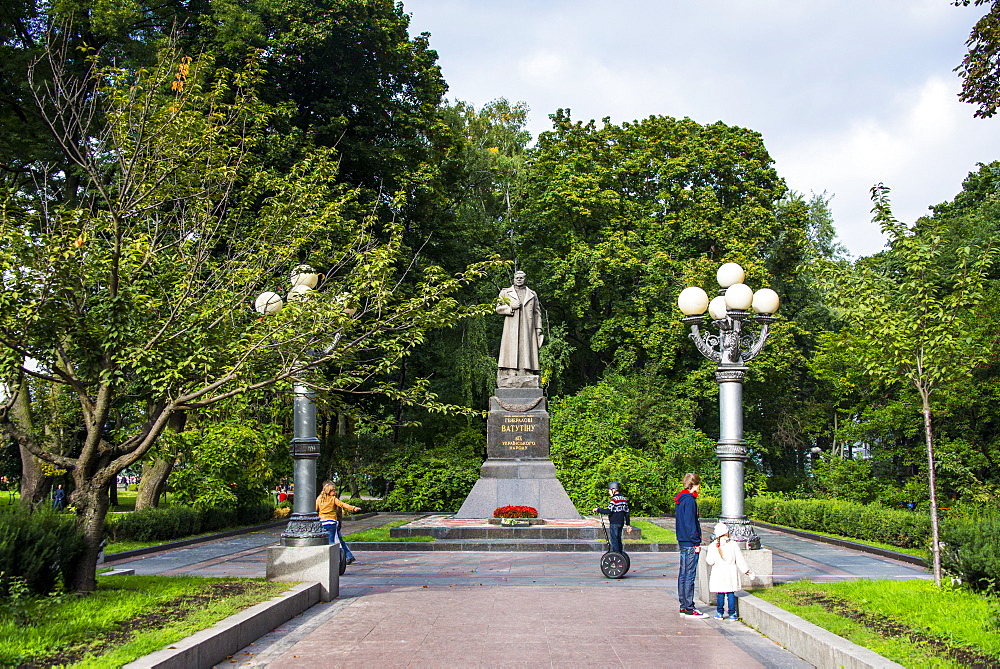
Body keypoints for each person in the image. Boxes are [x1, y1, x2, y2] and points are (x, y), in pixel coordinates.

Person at [496, 270, 544, 388]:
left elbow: (537, 312)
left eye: (521, 278)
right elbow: (498, 308)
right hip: (512, 326)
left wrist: (538, 328)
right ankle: (511, 370)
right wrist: (510, 307)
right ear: (514, 278)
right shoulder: (505, 292)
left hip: (528, 327)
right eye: (517, 277)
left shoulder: (532, 294)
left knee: (527, 347)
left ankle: (527, 370)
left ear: (525, 279)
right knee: (511, 348)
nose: (519, 279)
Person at [704, 522, 753, 621]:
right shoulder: (733, 544)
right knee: (730, 593)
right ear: (726, 533)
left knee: (720, 594)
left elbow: (710, 561)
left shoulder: (713, 546)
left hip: (718, 572)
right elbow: (739, 559)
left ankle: (719, 613)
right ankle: (732, 613)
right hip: (730, 572)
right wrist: (746, 571)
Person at [675, 472, 707, 618]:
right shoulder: (689, 501)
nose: (700, 487)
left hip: (682, 540)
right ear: (695, 484)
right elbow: (690, 524)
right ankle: (688, 606)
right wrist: (696, 542)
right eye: (699, 484)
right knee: (689, 575)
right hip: (689, 542)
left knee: (683, 574)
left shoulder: (680, 500)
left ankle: (684, 604)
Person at [316, 481, 362, 565]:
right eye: (333, 491)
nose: (335, 492)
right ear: (328, 491)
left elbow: (315, 509)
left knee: (325, 540)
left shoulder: (319, 499)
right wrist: (353, 508)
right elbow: (342, 505)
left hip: (322, 522)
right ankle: (336, 558)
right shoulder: (333, 499)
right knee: (332, 541)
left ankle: (328, 558)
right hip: (332, 522)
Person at [593, 482, 633, 553]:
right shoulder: (623, 499)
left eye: (609, 490)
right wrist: (628, 524)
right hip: (621, 523)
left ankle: (616, 554)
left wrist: (598, 510)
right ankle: (620, 554)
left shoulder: (614, 499)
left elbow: (609, 510)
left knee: (614, 540)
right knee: (618, 539)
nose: (609, 492)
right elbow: (627, 513)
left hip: (614, 523)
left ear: (614, 490)